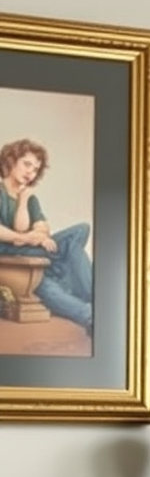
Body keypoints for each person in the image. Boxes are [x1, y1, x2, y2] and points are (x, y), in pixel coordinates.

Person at [0, 137, 93, 331]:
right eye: (27, 164)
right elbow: (17, 232)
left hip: (34, 258)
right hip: (8, 258)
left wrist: (24, 203)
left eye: (35, 170)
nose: (30, 172)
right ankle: (94, 299)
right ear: (11, 160)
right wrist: (25, 238)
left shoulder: (29, 198)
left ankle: (90, 315)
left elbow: (43, 228)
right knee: (75, 241)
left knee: (47, 285)